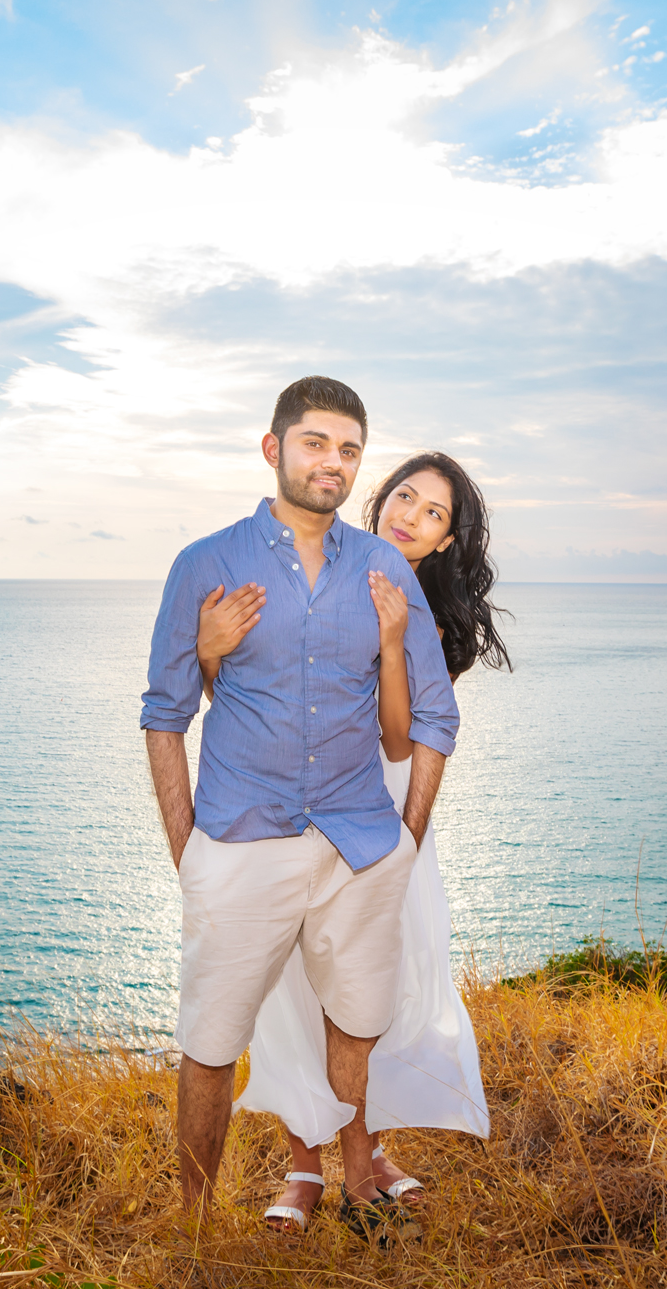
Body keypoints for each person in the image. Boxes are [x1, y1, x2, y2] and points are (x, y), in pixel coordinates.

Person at [139, 376, 461, 1239]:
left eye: (349, 449)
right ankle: (195, 1233)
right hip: (242, 841)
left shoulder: (386, 568)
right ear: (274, 448)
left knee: (355, 1026)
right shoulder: (208, 564)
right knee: (210, 1047)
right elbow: (164, 714)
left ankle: (354, 1182)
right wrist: (190, 850)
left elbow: (433, 715)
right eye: (316, 442)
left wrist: (406, 840)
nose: (334, 462)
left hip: (360, 845)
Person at [203, 453, 508, 1233]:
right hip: (283, 800)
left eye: (434, 512)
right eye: (404, 495)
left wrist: (397, 638)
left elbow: (400, 741)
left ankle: (361, 1152)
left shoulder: (419, 615)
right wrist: (210, 649)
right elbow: (237, 688)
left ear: (445, 541)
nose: (410, 513)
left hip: (374, 805)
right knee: (289, 987)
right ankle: (312, 1160)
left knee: (368, 984)